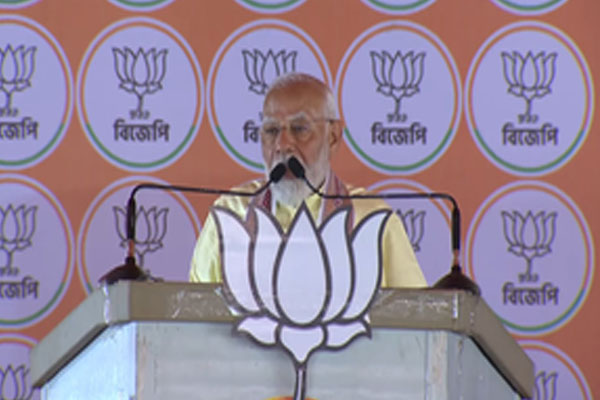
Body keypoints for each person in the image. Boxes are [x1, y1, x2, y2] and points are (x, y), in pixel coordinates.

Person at [189, 72, 426, 287]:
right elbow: (193, 314)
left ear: (333, 137)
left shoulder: (373, 220)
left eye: (299, 129)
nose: (282, 145)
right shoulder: (229, 217)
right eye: (271, 131)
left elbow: (417, 315)